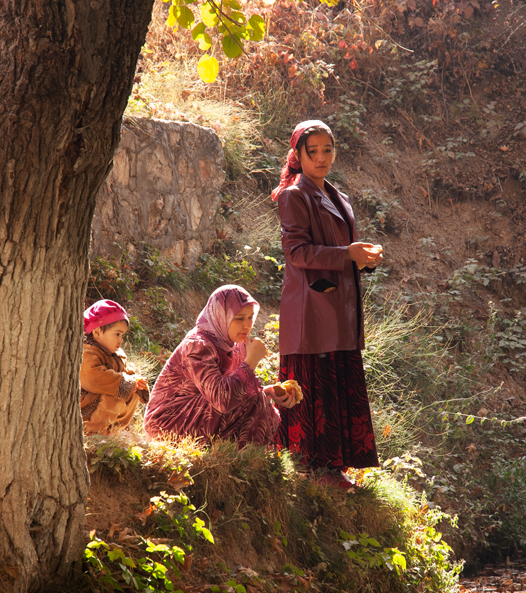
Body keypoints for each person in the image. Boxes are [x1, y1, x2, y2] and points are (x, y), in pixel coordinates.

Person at [273, 119, 383, 488]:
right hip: (311, 308)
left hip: (339, 307)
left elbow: (342, 254)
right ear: (298, 155)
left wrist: (362, 259)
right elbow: (297, 253)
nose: (321, 158)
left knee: (338, 380)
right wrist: (346, 255)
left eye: (327, 150)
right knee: (315, 384)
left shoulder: (339, 196)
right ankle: (314, 469)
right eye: (313, 151)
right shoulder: (293, 195)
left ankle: (336, 467)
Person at [143, 284, 298, 446]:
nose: (247, 325)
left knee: (260, 402)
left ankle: (241, 463)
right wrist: (251, 361)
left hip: (199, 412)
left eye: (251, 317)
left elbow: (234, 389)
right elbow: (222, 399)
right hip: (166, 424)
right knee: (255, 401)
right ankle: (239, 462)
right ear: (221, 316)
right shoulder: (198, 346)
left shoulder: (234, 345)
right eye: (239, 318)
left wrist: (269, 392)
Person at [80, 299, 150, 434]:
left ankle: (112, 431)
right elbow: (92, 378)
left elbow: (126, 370)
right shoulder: (88, 352)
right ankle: (92, 433)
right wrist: (127, 382)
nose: (121, 339)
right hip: (85, 407)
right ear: (97, 332)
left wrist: (136, 380)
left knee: (131, 393)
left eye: (123, 335)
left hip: (100, 406)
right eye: (117, 334)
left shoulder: (114, 353)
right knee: (114, 397)